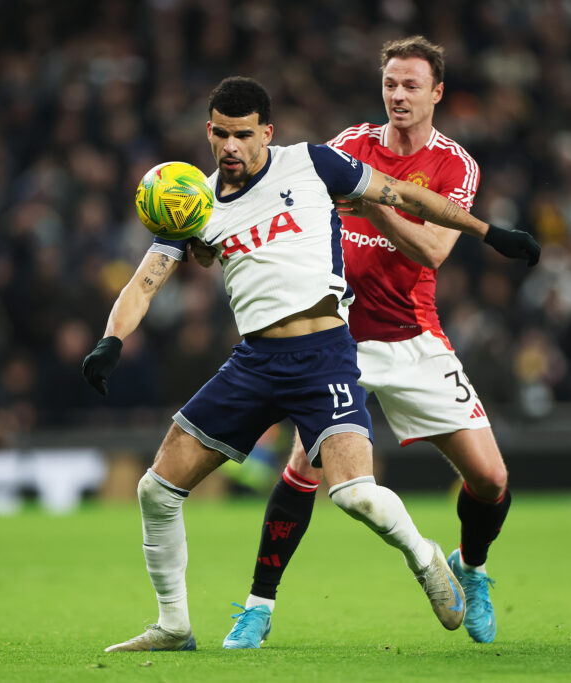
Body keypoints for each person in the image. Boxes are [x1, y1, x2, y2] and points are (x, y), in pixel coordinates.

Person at [82, 76, 539, 652]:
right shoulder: (194, 201)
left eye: (243, 135)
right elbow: (144, 283)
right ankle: (174, 626)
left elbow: (405, 195)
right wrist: (111, 341)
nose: (230, 146)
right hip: (253, 362)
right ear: (208, 132)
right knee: (156, 489)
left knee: (354, 494)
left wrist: (489, 232)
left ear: (266, 133)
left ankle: (424, 557)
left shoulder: (314, 163)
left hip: (323, 356)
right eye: (220, 134)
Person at [221, 36, 525, 649]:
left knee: (491, 479)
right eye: (390, 84)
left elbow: (434, 249)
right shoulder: (348, 144)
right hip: (336, 340)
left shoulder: (455, 165)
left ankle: (471, 567)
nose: (398, 95)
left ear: (437, 93)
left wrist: (371, 198)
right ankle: (257, 607)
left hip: (413, 337)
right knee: (303, 468)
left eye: (412, 85)